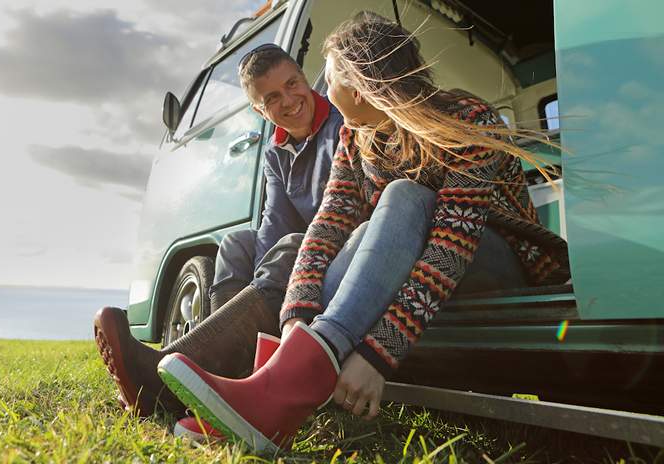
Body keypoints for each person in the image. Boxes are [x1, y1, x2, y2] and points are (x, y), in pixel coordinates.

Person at [156, 12, 571, 452]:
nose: (322, 88)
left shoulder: (468, 119)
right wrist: (296, 314)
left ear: (359, 84)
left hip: (501, 262)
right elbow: (327, 226)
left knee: (406, 195)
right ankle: (270, 388)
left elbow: (450, 251)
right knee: (355, 235)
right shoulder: (357, 137)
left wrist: (377, 353)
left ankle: (287, 382)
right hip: (426, 269)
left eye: (328, 76)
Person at [92, 44, 344, 424]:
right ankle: (225, 375)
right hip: (307, 245)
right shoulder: (276, 153)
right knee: (237, 243)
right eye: (272, 97)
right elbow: (274, 217)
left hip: (340, 238)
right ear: (260, 110)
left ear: (305, 79)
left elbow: (340, 210)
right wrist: (260, 278)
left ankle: (168, 375)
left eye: (292, 84)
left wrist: (277, 268)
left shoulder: (339, 122)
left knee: (294, 246)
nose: (289, 100)